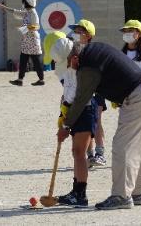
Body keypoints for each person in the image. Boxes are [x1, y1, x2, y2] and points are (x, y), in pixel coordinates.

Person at [56, 40, 141, 210]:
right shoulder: (93, 50)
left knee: (122, 147)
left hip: (137, 97)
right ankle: (139, 192)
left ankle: (121, 196)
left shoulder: (87, 67)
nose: (69, 68)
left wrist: (66, 126)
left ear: (74, 58)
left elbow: (81, 98)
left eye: (67, 63)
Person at [43, 32, 97, 208]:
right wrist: (62, 114)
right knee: (76, 152)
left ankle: (81, 195)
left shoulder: (82, 69)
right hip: (75, 111)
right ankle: (76, 191)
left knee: (79, 152)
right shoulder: (69, 68)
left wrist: (65, 126)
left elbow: (76, 97)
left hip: (85, 110)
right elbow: (66, 94)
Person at [68, 19, 107, 168]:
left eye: (79, 31)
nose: (76, 34)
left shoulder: (95, 51)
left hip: (96, 90)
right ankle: (90, 155)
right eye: (75, 31)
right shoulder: (73, 50)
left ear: (88, 35)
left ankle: (100, 153)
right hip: (80, 93)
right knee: (86, 124)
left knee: (96, 121)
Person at [0, 0, 44, 86]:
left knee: (36, 61)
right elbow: (14, 11)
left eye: (24, 2)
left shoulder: (33, 13)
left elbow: (36, 26)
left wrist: (23, 28)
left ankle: (41, 80)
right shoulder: (27, 12)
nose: (23, 4)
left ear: (27, 3)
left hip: (32, 39)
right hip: (26, 40)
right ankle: (20, 80)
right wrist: (2, 7)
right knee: (23, 61)